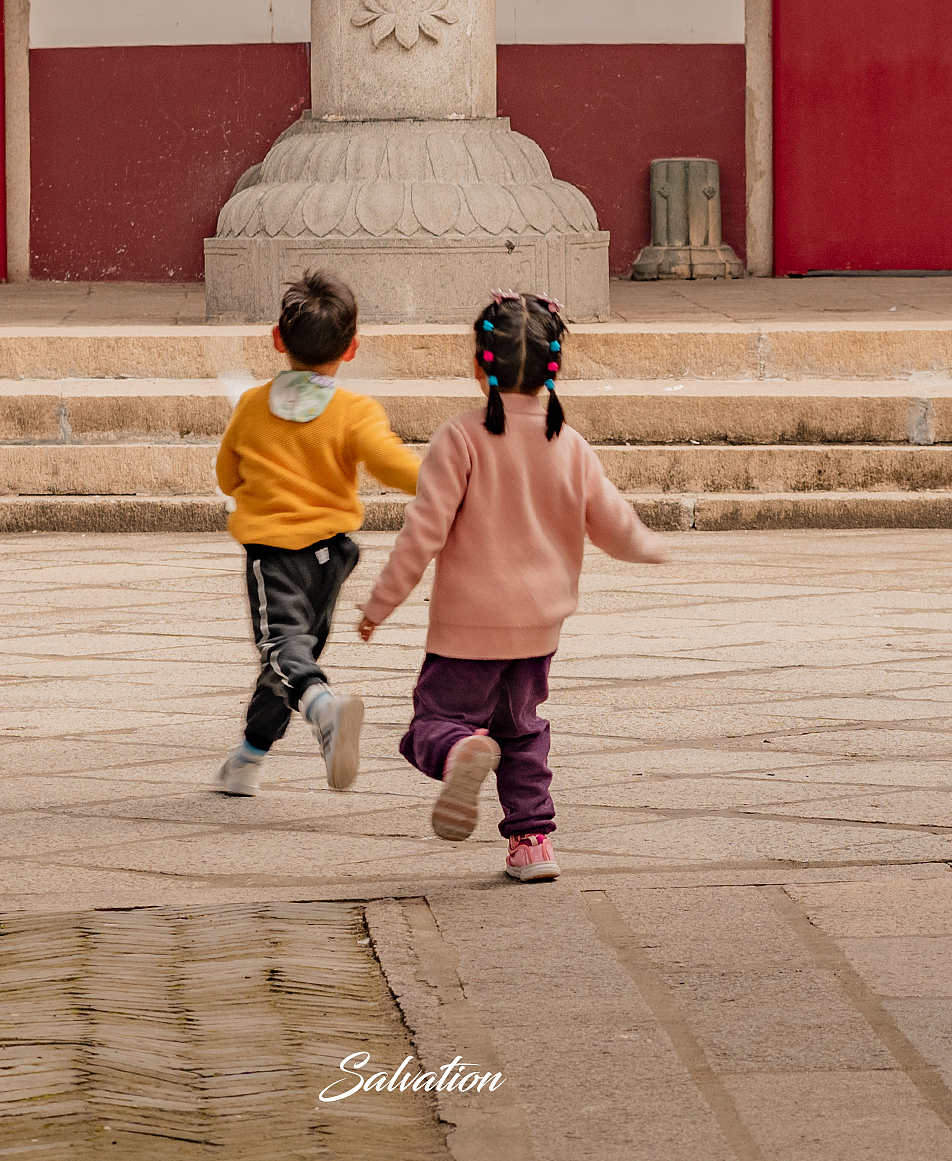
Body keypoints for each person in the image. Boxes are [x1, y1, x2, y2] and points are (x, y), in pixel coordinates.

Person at [357, 290, 667, 881]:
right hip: (538, 628)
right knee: (522, 731)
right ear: (555, 366)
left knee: (434, 722)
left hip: (466, 629)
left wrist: (380, 605)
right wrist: (650, 548)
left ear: (480, 365)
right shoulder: (569, 444)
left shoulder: (460, 437)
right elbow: (613, 523)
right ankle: (533, 844)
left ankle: (458, 752)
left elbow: (422, 534)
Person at [213, 269, 420, 798]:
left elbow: (226, 476)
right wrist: (450, 480)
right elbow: (393, 464)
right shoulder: (355, 412)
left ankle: (324, 709)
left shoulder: (253, 407)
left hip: (273, 554)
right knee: (290, 659)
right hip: (333, 557)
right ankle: (250, 756)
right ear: (351, 349)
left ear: (277, 339)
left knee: (282, 652)